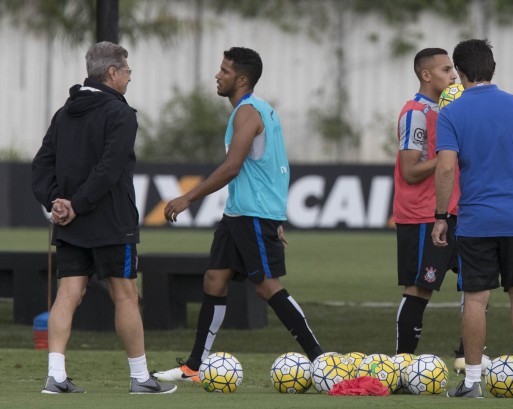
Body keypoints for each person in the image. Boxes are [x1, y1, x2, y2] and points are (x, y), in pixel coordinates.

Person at [153, 47, 324, 383]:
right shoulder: (259, 110)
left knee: (266, 287)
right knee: (214, 281)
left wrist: (188, 197)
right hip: (239, 214)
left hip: (253, 214)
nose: (218, 75)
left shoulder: (248, 113)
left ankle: (321, 359)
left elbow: (232, 168)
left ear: (242, 79)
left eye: (225, 71)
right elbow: (273, 167)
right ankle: (194, 367)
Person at [31, 41, 176, 395]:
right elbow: (109, 170)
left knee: (68, 294)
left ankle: (56, 376)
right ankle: (141, 378)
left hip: (71, 224)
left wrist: (57, 203)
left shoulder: (65, 113)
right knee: (125, 295)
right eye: (127, 72)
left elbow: (41, 165)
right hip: (112, 221)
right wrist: (77, 204)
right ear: (112, 73)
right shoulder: (121, 114)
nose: (129, 79)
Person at [433, 38, 513, 398]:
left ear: (461, 72)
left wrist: (440, 216)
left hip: (477, 220)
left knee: (476, 299)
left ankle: (471, 382)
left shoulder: (451, 113)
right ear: (492, 69)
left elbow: (446, 168)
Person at [393, 48, 472, 363]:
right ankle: (402, 363)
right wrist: (447, 155)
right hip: (423, 216)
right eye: (446, 69)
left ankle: (469, 360)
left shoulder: (447, 110)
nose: (453, 75)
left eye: (452, 69)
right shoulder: (415, 113)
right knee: (419, 289)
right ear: (426, 75)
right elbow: (410, 170)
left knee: (475, 286)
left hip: (455, 213)